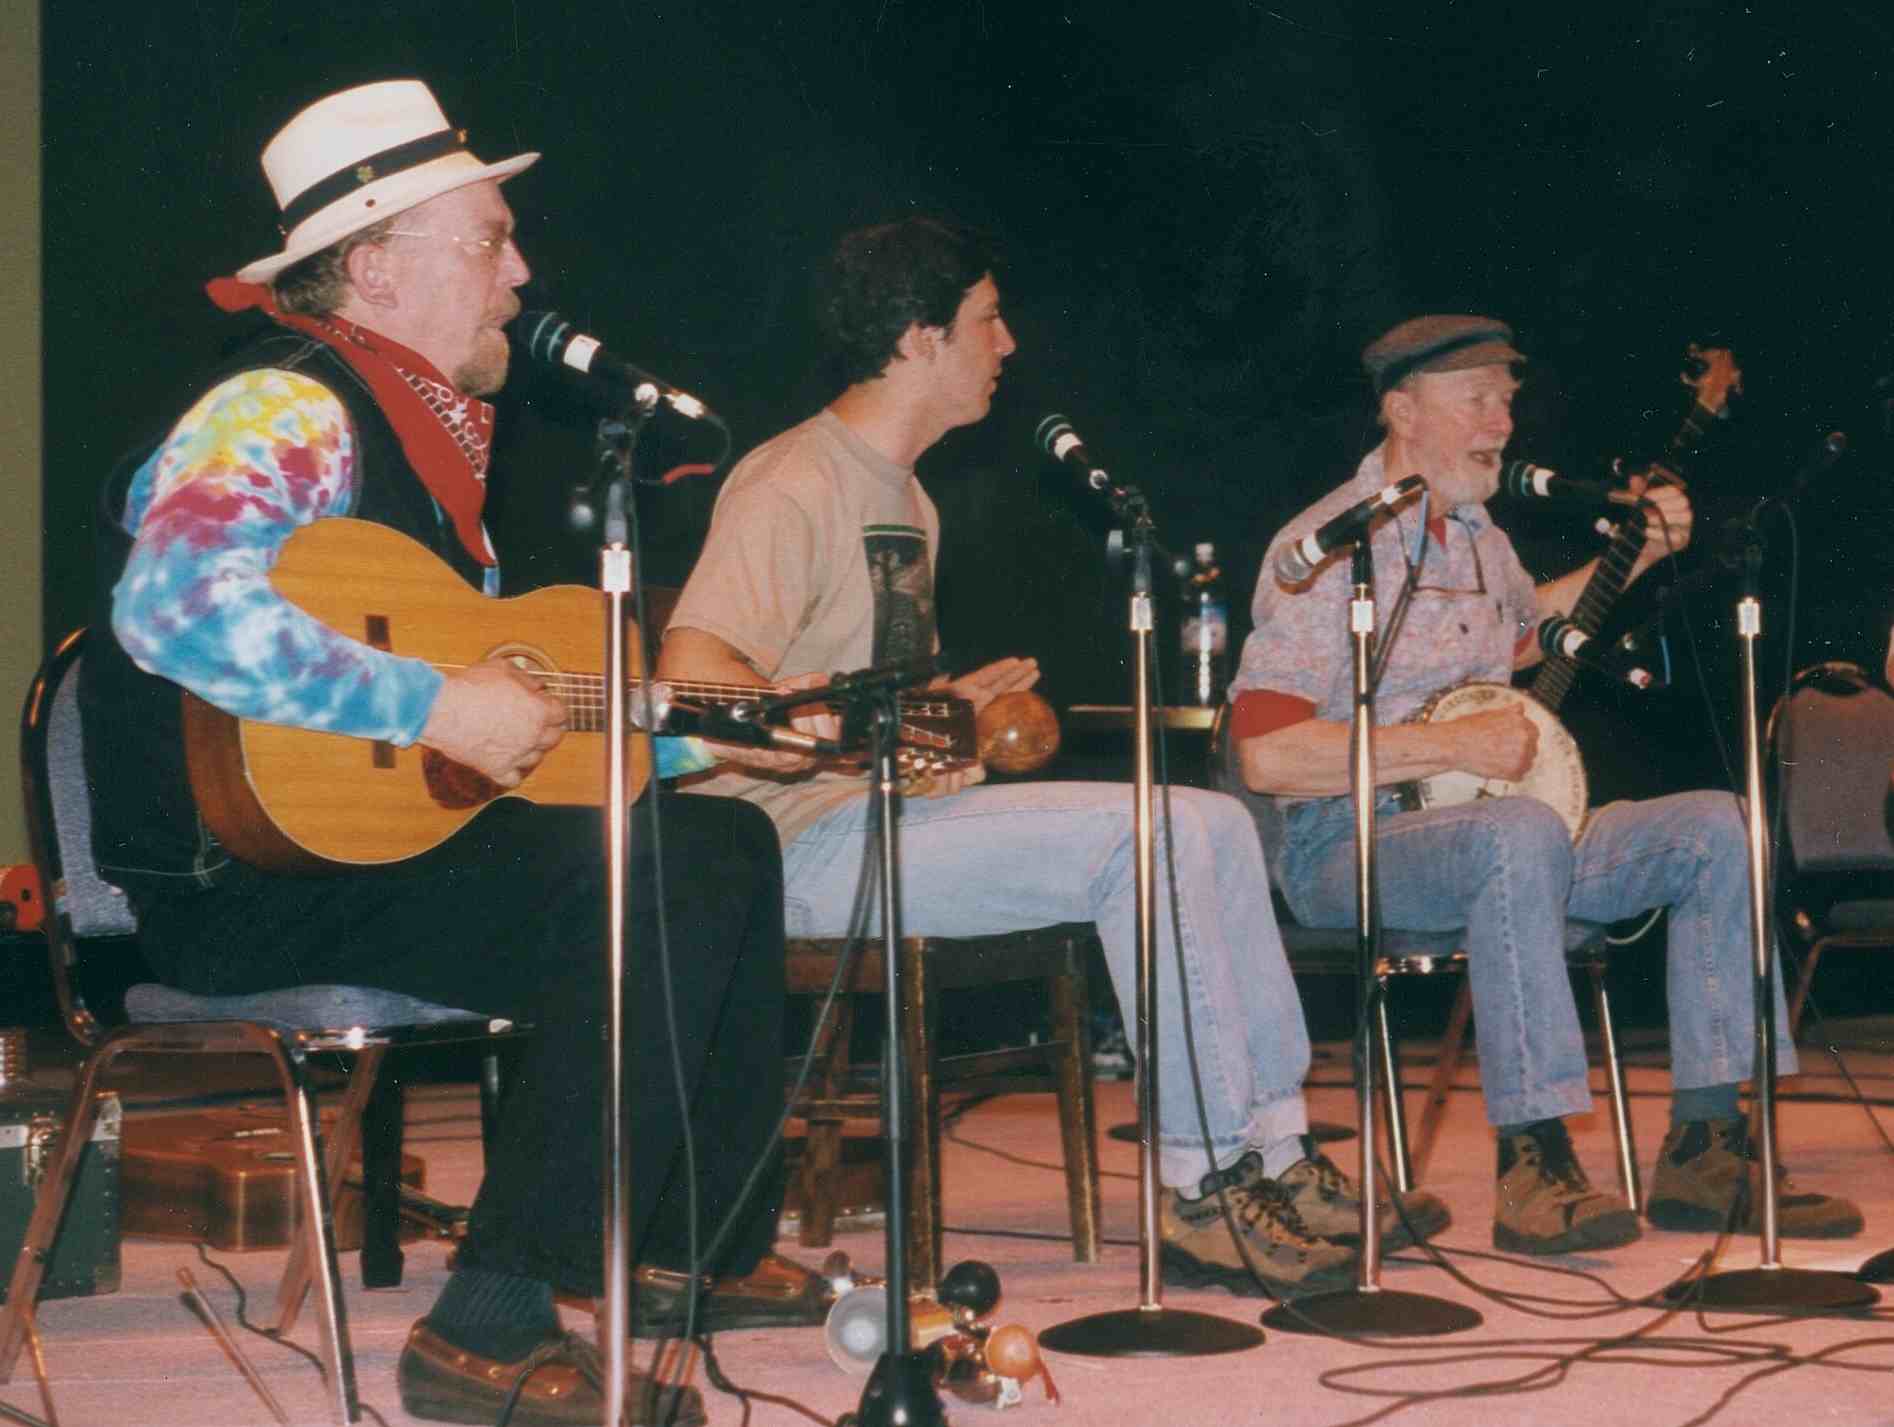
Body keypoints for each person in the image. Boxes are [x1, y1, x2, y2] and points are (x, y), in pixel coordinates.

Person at [79, 80, 812, 1427]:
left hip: (356, 860)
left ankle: (677, 1245)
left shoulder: (425, 437)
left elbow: (506, 745)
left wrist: (720, 737)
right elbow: (170, 604)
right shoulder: (278, 408)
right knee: (655, 871)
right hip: (232, 887)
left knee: (715, 837)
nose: (521, 273)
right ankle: (490, 1320)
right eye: (489, 240)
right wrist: (428, 703)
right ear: (373, 266)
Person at [655, 216, 1448, 1302]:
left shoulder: (910, 497)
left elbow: (847, 699)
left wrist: (935, 710)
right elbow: (695, 671)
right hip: (786, 844)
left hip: (868, 818)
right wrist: (828, 726)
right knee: (1153, 831)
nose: (1009, 342)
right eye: (987, 317)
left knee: (1204, 818)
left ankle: (1272, 1150)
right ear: (919, 336)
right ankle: (1202, 1182)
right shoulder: (793, 480)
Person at [1225, 314, 1863, 1255]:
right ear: (1401, 410)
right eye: (1476, 401)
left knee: (1721, 825)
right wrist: (1442, 748)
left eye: (1508, 400)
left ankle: (1706, 1143)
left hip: (1486, 830)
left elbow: (1521, 637)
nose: (1502, 422)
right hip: (1346, 842)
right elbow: (1265, 756)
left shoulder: (1480, 537)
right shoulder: (1326, 549)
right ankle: (1533, 1159)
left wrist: (1638, 552)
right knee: (1518, 831)